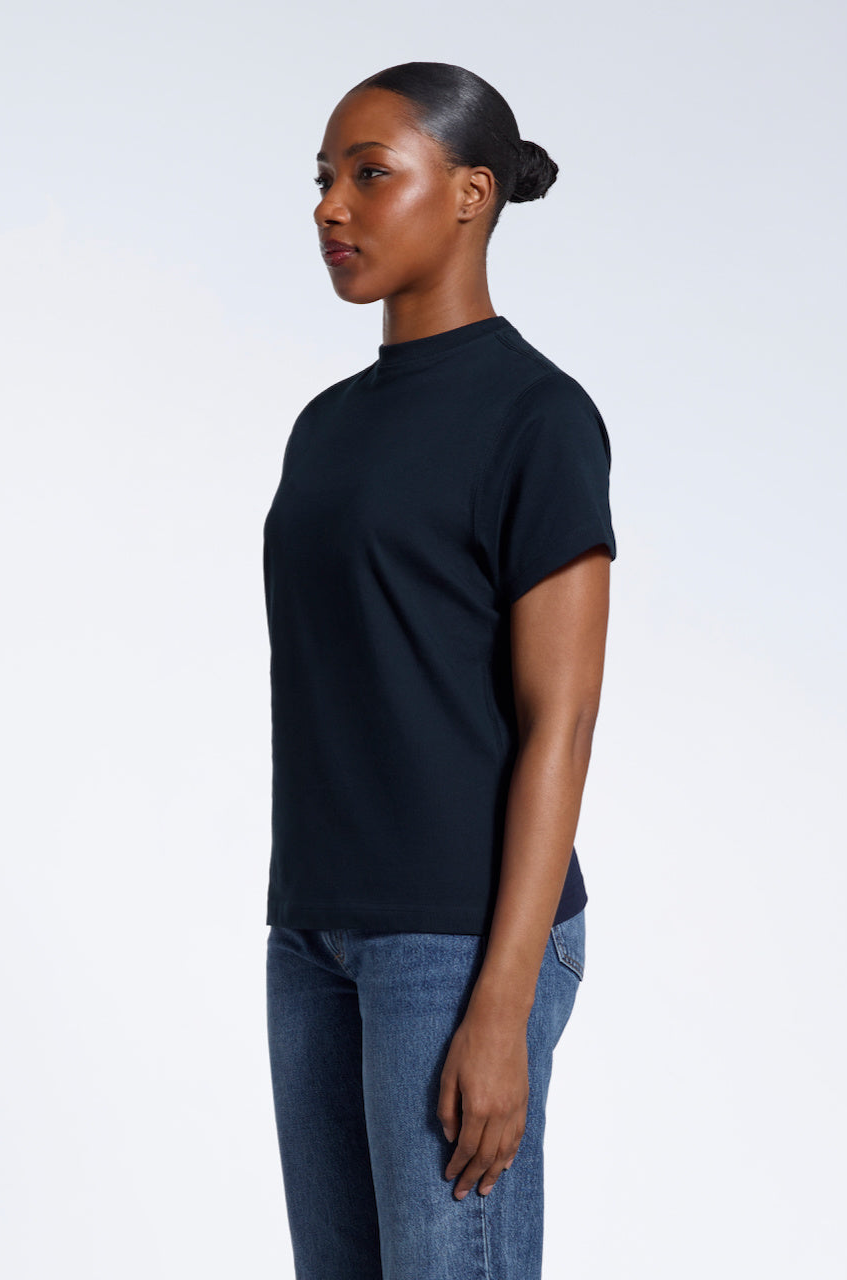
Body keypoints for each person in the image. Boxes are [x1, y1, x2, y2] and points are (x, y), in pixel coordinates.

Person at [263, 61, 616, 1280]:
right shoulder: (327, 424)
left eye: (369, 174)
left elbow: (559, 719)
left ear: (470, 192)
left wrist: (502, 1000)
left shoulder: (536, 417)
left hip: (458, 936)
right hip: (315, 928)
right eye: (321, 180)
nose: (330, 207)